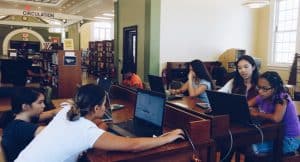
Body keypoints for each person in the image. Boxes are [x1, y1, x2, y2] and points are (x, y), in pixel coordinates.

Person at [15, 84, 184, 162]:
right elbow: (133, 145)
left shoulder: (66, 111)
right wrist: (166, 138)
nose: (106, 107)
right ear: (96, 108)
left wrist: (99, 125)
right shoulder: (87, 131)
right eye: (105, 105)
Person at [247, 71, 300, 158]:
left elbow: (276, 118)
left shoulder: (282, 98)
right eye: (258, 87)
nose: (260, 91)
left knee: (252, 148)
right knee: (246, 142)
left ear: (274, 88)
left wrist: (258, 113)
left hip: (289, 140)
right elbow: (246, 104)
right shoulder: (262, 96)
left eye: (264, 88)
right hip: (273, 135)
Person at [1, 87, 60, 162]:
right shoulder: (21, 128)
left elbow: (51, 113)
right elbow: (55, 133)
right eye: (40, 102)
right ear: (25, 107)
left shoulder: (15, 117)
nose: (44, 106)